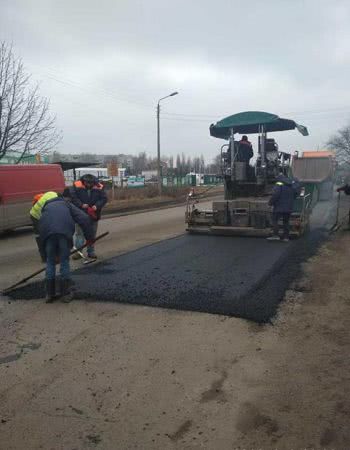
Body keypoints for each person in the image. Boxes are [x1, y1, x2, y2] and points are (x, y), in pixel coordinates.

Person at [39, 194, 94, 302]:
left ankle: (49, 294)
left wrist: (45, 254)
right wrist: (89, 238)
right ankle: (65, 294)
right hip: (63, 234)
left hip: (47, 236)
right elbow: (84, 218)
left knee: (50, 262)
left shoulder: (46, 208)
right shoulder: (67, 204)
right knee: (64, 261)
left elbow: (41, 228)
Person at [70, 174, 107, 261]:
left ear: (94, 182)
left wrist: (97, 206)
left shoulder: (99, 186)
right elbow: (73, 197)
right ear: (84, 181)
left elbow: (104, 199)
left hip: (94, 214)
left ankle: (91, 252)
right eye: (87, 183)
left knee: (92, 234)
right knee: (79, 234)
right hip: (80, 215)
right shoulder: (76, 185)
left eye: (91, 183)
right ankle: (78, 253)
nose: (89, 185)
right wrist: (81, 205)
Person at [267, 173, 299, 242]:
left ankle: (276, 235)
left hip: (279, 207)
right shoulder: (291, 185)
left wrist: (270, 203)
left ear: (279, 179)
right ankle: (286, 237)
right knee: (286, 222)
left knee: (275, 220)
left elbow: (276, 195)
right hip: (288, 207)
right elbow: (296, 194)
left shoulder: (279, 184)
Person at [30, 191, 59, 261]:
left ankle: (50, 256)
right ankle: (46, 257)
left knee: (44, 236)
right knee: (42, 237)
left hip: (35, 214)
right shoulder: (54, 203)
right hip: (36, 216)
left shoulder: (52, 194)